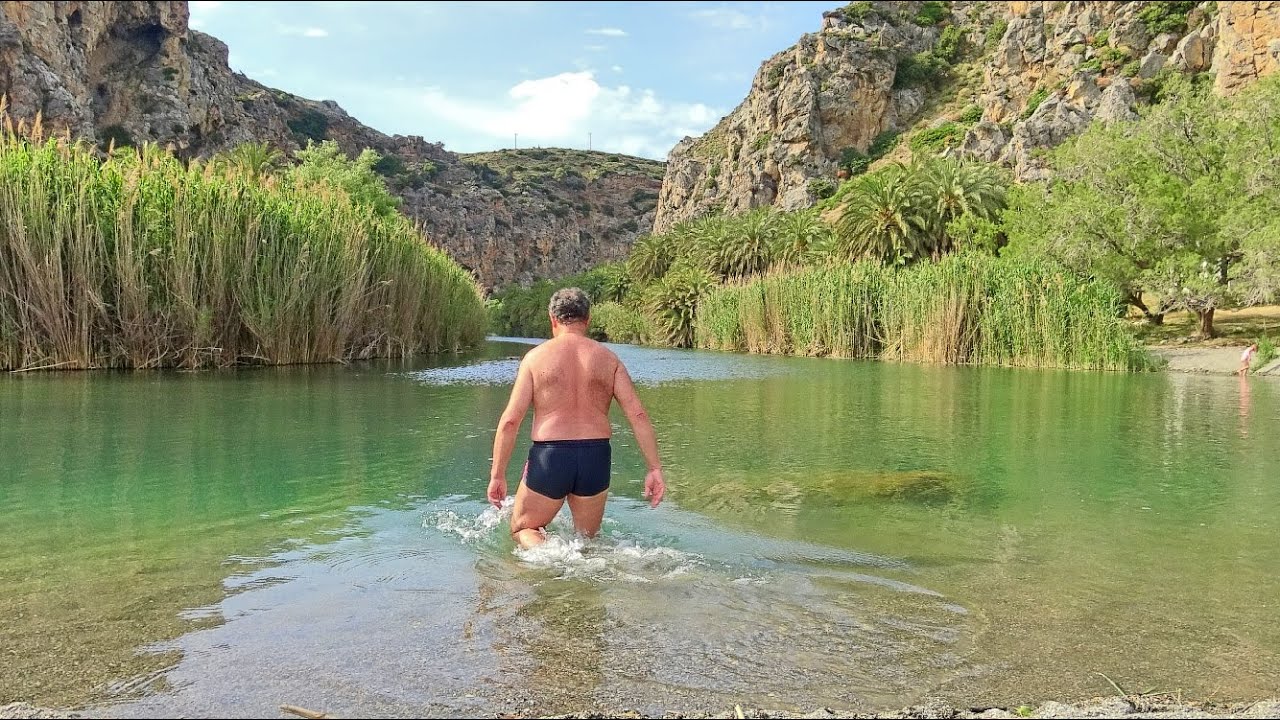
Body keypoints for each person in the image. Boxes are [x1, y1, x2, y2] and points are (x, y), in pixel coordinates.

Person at [488, 287, 666, 549]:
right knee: (587, 542)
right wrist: (654, 469)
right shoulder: (609, 359)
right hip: (596, 457)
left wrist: (497, 475)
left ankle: (549, 557)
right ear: (588, 319)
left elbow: (510, 421)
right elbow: (638, 415)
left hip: (551, 456)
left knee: (523, 528)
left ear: (552, 319)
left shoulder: (535, 359)